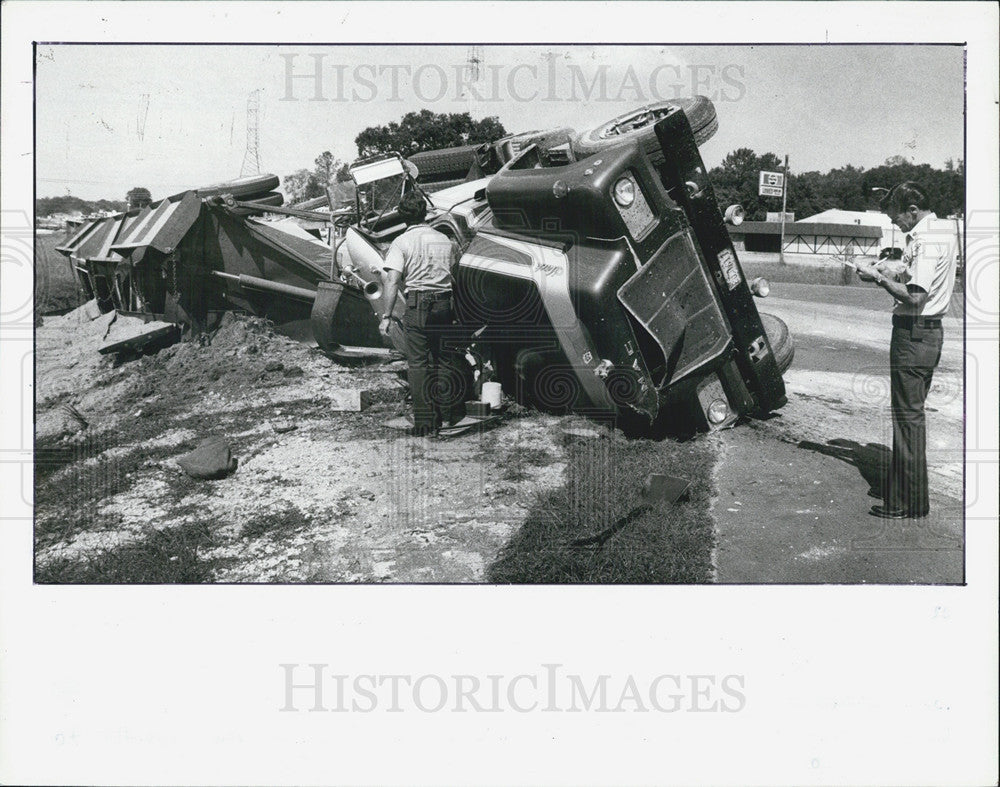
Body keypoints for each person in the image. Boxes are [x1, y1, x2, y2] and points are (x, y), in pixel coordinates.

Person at [855, 181, 959, 519]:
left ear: (912, 210)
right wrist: (892, 269)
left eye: (897, 218)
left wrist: (880, 280)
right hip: (930, 334)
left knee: (907, 420)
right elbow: (920, 276)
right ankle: (908, 495)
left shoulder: (926, 242)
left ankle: (907, 503)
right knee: (911, 417)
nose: (895, 225)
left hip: (913, 334)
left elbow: (915, 297)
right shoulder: (943, 231)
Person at [379, 192, 466, 436]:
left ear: (403, 217)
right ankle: (449, 417)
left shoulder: (401, 242)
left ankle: (427, 423)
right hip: (444, 304)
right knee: (444, 360)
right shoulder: (445, 240)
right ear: (425, 214)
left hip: (418, 305)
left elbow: (393, 280)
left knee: (418, 364)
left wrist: (386, 316)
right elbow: (454, 275)